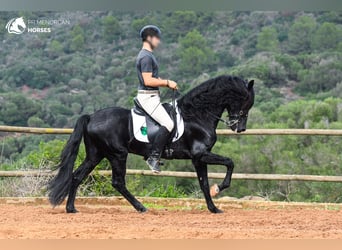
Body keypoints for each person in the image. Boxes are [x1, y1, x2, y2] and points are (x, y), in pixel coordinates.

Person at [136, 25, 178, 173]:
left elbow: (151, 78)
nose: (158, 41)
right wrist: (166, 82)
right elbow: (147, 81)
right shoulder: (146, 56)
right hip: (148, 97)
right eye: (156, 38)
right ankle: (153, 157)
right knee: (168, 123)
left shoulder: (147, 55)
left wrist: (162, 82)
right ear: (149, 38)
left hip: (152, 95)